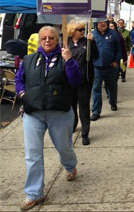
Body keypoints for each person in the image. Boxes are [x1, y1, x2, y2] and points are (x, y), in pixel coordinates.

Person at [15, 26, 82, 211]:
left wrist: (69, 61)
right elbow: (19, 80)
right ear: (39, 40)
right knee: (33, 154)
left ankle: (70, 166)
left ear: (57, 39)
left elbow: (76, 81)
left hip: (59, 113)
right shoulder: (29, 60)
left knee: (64, 147)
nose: (47, 40)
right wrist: (22, 94)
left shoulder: (66, 57)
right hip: (32, 113)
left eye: (51, 37)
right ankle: (34, 193)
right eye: (43, 38)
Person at [67, 19, 98, 145]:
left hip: (84, 78)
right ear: (72, 31)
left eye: (83, 30)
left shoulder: (87, 42)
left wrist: (93, 42)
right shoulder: (65, 43)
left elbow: (95, 55)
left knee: (84, 106)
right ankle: (73, 124)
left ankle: (85, 133)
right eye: (80, 30)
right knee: (71, 104)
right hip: (69, 79)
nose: (82, 32)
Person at [90, 20, 122, 121]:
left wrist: (117, 61)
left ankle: (113, 103)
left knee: (112, 86)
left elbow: (119, 49)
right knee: (96, 89)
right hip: (96, 67)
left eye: (104, 22)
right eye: (100, 22)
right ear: (96, 24)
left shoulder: (113, 34)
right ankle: (96, 111)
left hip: (110, 66)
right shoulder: (92, 35)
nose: (102, 24)